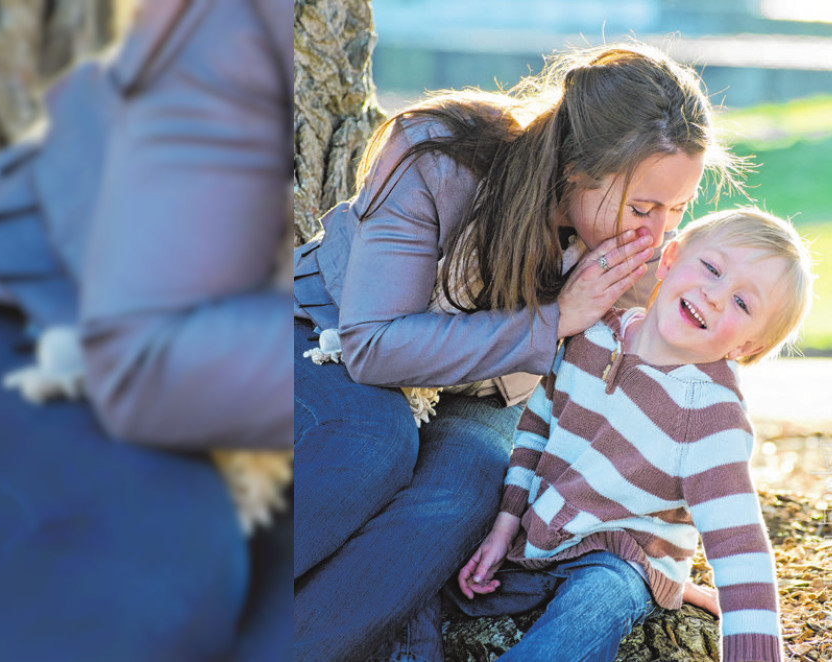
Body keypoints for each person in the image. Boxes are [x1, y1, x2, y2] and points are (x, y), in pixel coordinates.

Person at [292, 42, 743, 660]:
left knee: (474, 485)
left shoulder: (634, 251)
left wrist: (653, 547)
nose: (657, 234)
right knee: (371, 441)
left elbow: (666, 406)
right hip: (325, 336)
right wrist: (557, 319)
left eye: (677, 210)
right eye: (642, 207)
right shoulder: (440, 155)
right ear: (578, 169)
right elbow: (372, 345)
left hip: (489, 388)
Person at [0, 0, 293, 659]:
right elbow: (144, 363)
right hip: (39, 310)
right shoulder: (233, 31)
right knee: (162, 566)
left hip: (192, 351)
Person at [450, 209, 811, 662]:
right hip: (542, 535)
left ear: (746, 347)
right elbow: (535, 430)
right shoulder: (596, 334)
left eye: (743, 303)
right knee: (439, 577)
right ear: (670, 260)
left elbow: (740, 547)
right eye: (712, 269)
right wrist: (505, 524)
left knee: (596, 602)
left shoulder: (710, 413)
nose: (716, 296)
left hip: (626, 558)